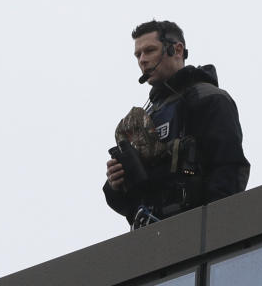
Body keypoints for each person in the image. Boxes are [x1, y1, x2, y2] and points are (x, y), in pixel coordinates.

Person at [104, 20, 250, 228]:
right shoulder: (147, 116)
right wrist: (115, 185)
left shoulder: (209, 99)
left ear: (177, 49)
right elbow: (132, 199)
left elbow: (230, 169)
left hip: (196, 232)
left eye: (150, 50)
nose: (143, 60)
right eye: (138, 55)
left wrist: (213, 229)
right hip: (150, 237)